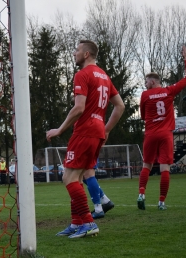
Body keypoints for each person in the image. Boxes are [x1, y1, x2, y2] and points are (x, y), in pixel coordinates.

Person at [46, 40, 125, 238]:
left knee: (68, 177)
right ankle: (76, 222)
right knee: (78, 178)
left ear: (87, 54)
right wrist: (106, 130)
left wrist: (60, 129)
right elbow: (120, 106)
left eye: (77, 50)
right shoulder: (105, 77)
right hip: (97, 131)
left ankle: (89, 223)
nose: (74, 53)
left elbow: (79, 108)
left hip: (85, 131)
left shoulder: (82, 74)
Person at [137, 45, 186, 211]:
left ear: (153, 81)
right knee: (165, 168)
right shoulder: (169, 91)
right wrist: (185, 58)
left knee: (147, 165)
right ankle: (161, 202)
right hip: (166, 134)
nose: (145, 84)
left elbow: (142, 116)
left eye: (147, 81)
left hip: (151, 134)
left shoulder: (145, 95)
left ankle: (141, 194)